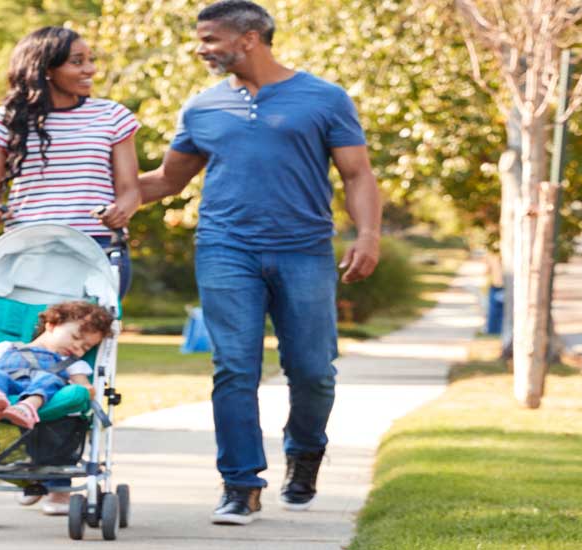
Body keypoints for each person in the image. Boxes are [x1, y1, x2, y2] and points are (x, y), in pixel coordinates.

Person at [135, 0, 383, 526]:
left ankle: (306, 451)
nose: (200, 49)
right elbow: (166, 180)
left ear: (248, 39)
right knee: (233, 369)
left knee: (313, 370)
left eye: (209, 40)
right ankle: (240, 484)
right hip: (226, 249)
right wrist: (92, 194)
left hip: (305, 249)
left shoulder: (323, 98)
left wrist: (369, 235)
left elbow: (357, 174)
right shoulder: (202, 107)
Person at [0, 26, 142, 295]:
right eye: (77, 62)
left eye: (90, 60)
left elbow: (130, 192)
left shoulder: (113, 117)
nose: (90, 70)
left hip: (96, 248)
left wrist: (121, 210)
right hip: (25, 250)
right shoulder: (3, 121)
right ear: (46, 69)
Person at [0, 300, 114, 430]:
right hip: (5, 387)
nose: (77, 347)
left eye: (86, 348)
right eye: (75, 337)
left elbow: (85, 388)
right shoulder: (6, 347)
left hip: (41, 396)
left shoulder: (73, 363)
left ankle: (26, 407)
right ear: (52, 324)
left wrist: (85, 390)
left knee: (50, 380)